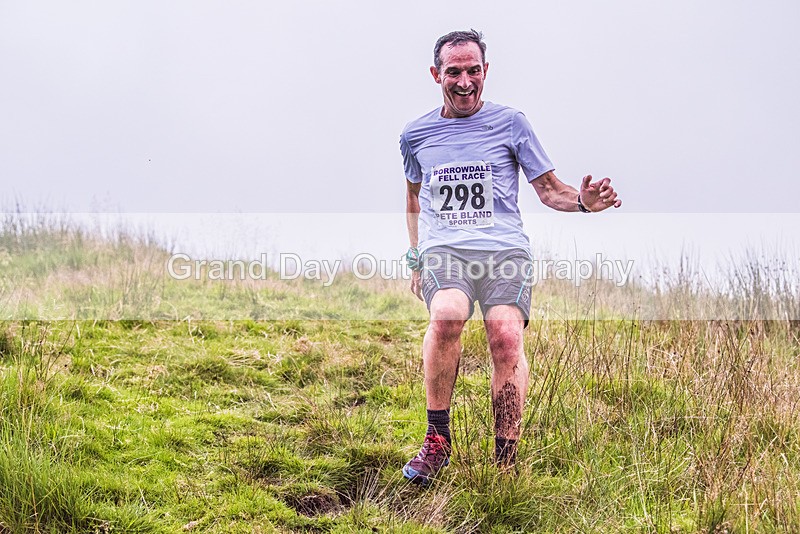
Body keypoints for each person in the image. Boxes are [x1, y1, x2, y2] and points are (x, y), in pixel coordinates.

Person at [399, 29, 622, 485]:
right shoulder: (415, 134)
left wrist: (582, 203)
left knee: (504, 335)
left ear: (486, 71)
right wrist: (416, 256)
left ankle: (505, 462)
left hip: (504, 251)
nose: (465, 82)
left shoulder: (511, 123)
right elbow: (414, 197)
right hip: (445, 249)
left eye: (473, 71)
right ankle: (437, 442)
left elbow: (550, 190)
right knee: (446, 315)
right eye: (454, 72)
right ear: (436, 74)